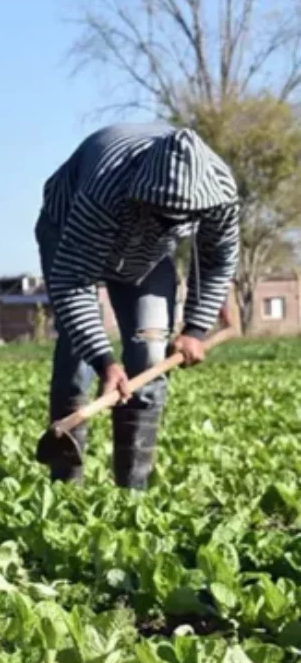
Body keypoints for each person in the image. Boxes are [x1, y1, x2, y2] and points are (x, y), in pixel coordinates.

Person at [36, 122, 239, 488]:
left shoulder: (219, 194)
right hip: (67, 228)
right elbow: (74, 282)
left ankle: (132, 493)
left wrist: (195, 328)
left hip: (147, 257)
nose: (164, 222)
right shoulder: (106, 187)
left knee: (149, 351)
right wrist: (105, 361)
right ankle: (66, 483)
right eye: (159, 213)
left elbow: (216, 261)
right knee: (76, 350)